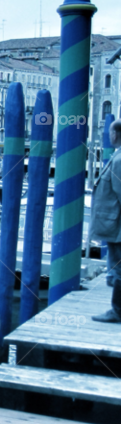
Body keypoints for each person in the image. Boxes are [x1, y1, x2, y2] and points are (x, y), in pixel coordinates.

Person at [92, 120, 121, 322]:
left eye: (109, 132)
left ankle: (117, 311)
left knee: (119, 268)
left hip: (117, 225)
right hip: (113, 224)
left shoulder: (119, 161)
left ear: (115, 134)